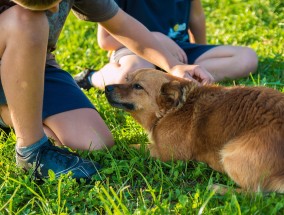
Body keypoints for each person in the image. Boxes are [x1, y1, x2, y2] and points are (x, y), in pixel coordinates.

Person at [0, 0, 213, 181]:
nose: (55, 12)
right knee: (29, 20)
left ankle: (9, 115)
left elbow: (119, 22)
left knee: (94, 143)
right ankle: (32, 148)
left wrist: (172, 64)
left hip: (37, 67)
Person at [74, 0, 258, 90]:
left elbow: (196, 16)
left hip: (179, 50)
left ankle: (176, 77)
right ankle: (92, 77)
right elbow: (105, 40)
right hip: (134, 52)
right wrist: (156, 37)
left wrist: (198, 56)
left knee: (246, 58)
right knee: (128, 78)